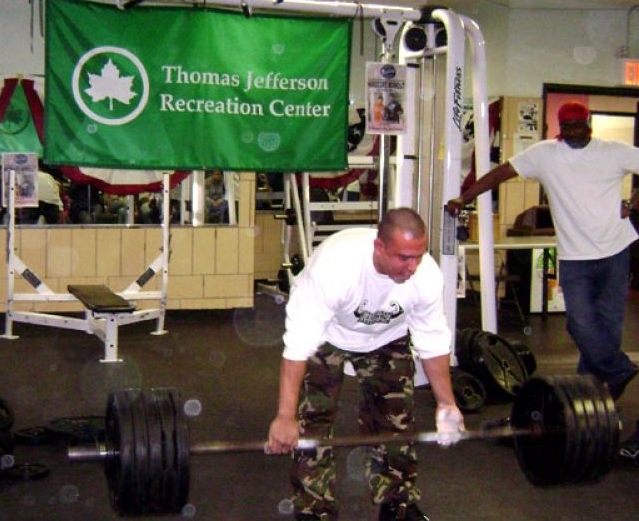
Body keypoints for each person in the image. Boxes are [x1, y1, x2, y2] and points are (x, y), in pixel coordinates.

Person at [266, 208, 464, 521]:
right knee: (312, 424)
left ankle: (397, 503)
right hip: (327, 335)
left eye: (418, 256)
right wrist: (285, 416)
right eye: (403, 258)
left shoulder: (426, 275)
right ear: (379, 248)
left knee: (396, 420)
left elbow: (433, 340)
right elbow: (298, 345)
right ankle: (314, 510)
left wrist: (446, 404)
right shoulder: (335, 269)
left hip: (388, 337)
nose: (412, 267)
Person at [445, 101, 639, 400]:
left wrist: (633, 203)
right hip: (575, 258)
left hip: (616, 251)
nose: (572, 131)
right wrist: (463, 198)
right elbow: (502, 173)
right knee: (581, 324)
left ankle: (590, 395)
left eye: (577, 124)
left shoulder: (613, 151)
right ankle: (618, 370)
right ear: (559, 128)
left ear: (589, 124)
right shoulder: (545, 154)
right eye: (567, 126)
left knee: (608, 327)